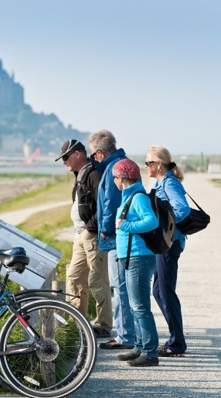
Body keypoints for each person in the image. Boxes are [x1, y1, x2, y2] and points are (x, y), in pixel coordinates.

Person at [56, 139, 113, 337]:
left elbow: (104, 205)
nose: (64, 162)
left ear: (77, 154)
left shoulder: (94, 173)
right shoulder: (80, 174)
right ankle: (77, 323)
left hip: (92, 235)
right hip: (81, 235)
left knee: (98, 281)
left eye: (65, 157)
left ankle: (103, 325)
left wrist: (91, 228)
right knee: (74, 277)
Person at [88, 130, 135, 349]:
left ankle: (125, 336)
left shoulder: (113, 169)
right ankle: (127, 334)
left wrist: (105, 229)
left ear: (100, 152)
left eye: (93, 154)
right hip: (124, 234)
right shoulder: (123, 164)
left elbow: (111, 203)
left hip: (117, 235)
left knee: (120, 286)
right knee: (123, 286)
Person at [112, 158, 160, 367]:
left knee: (140, 307)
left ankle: (150, 352)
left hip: (139, 257)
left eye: (115, 177)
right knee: (134, 306)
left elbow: (152, 221)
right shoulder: (129, 196)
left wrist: (126, 225)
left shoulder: (138, 197)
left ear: (121, 178)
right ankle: (140, 347)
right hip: (131, 256)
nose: (114, 180)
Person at [145, 145, 190, 357]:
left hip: (170, 244)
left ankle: (177, 343)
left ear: (158, 164)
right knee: (157, 291)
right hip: (164, 244)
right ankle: (176, 337)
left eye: (148, 163)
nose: (146, 166)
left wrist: (163, 224)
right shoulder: (161, 182)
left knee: (166, 292)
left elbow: (182, 209)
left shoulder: (169, 182)